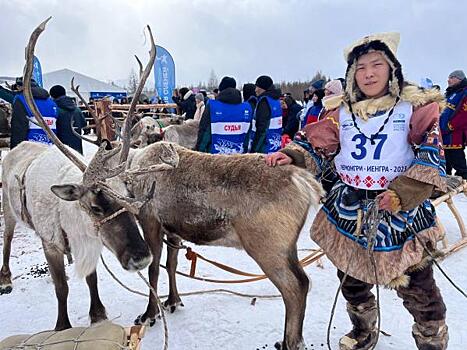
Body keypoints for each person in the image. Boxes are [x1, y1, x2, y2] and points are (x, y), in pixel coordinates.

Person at [266, 32, 448, 350]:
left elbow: (430, 157)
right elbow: (318, 141)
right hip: (351, 210)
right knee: (351, 280)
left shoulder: (414, 110)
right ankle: (364, 328)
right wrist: (293, 154)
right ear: (352, 74)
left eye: (377, 64)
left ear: (392, 69)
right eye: (361, 67)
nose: (368, 73)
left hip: (400, 214)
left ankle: (431, 338)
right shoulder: (341, 113)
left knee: (419, 288)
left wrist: (402, 194)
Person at [196, 76, 252, 154]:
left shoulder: (212, 106)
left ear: (220, 90)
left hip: (215, 159)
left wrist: (199, 151)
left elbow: (204, 131)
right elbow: (247, 136)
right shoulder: (247, 108)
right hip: (238, 159)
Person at [10, 77, 58, 149]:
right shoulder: (51, 102)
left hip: (30, 148)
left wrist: (14, 151)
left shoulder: (21, 99)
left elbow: (18, 128)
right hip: (50, 147)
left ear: (21, 87)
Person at [440, 69, 467, 179]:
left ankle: (464, 186)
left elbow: (464, 114)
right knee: (445, 163)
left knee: (458, 163)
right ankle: (446, 186)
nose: (448, 80)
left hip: (455, 134)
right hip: (444, 134)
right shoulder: (450, 93)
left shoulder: (464, 92)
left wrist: (450, 126)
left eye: (451, 77)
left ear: (458, 79)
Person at [249, 75, 282, 154]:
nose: (255, 90)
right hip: (275, 146)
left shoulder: (264, 102)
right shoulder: (276, 101)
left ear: (262, 88)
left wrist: (254, 150)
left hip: (264, 148)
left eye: (257, 87)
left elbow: (262, 128)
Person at [49, 85, 87, 154]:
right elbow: (84, 124)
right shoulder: (77, 109)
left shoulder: (54, 110)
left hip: (61, 150)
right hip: (77, 150)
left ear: (52, 96)